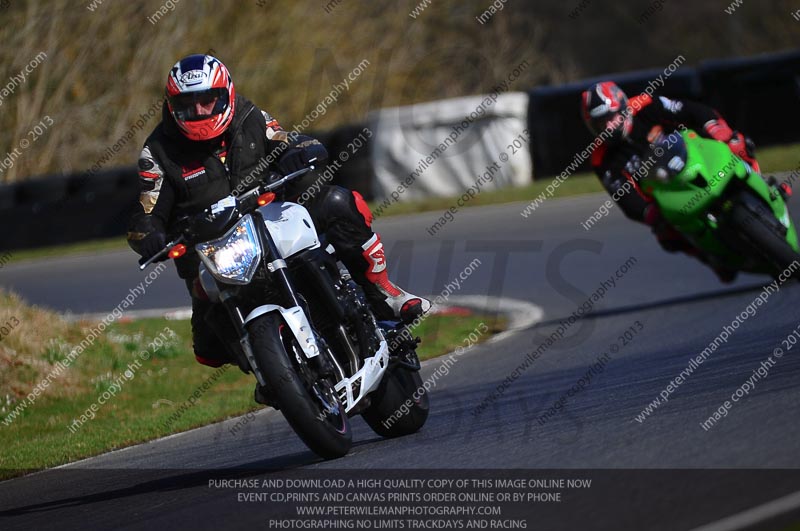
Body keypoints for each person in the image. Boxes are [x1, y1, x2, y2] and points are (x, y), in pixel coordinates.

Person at [127, 54, 430, 388]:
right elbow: (147, 208)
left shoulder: (248, 116)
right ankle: (268, 369)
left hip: (269, 217)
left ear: (225, 95)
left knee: (338, 202)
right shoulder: (158, 152)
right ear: (172, 106)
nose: (199, 112)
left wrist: (299, 151)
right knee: (209, 349)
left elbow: (282, 140)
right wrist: (148, 232)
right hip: (212, 251)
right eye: (188, 105)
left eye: (207, 101)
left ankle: (382, 291)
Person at [580, 81, 782, 282]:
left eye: (610, 118)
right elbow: (624, 197)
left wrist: (721, 134)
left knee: (739, 145)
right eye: (600, 123)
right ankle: (710, 257)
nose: (608, 126)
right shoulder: (601, 159)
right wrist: (650, 214)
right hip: (669, 194)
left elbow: (693, 111)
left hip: (698, 159)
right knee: (667, 237)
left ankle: (763, 183)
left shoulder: (646, 105)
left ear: (623, 106)